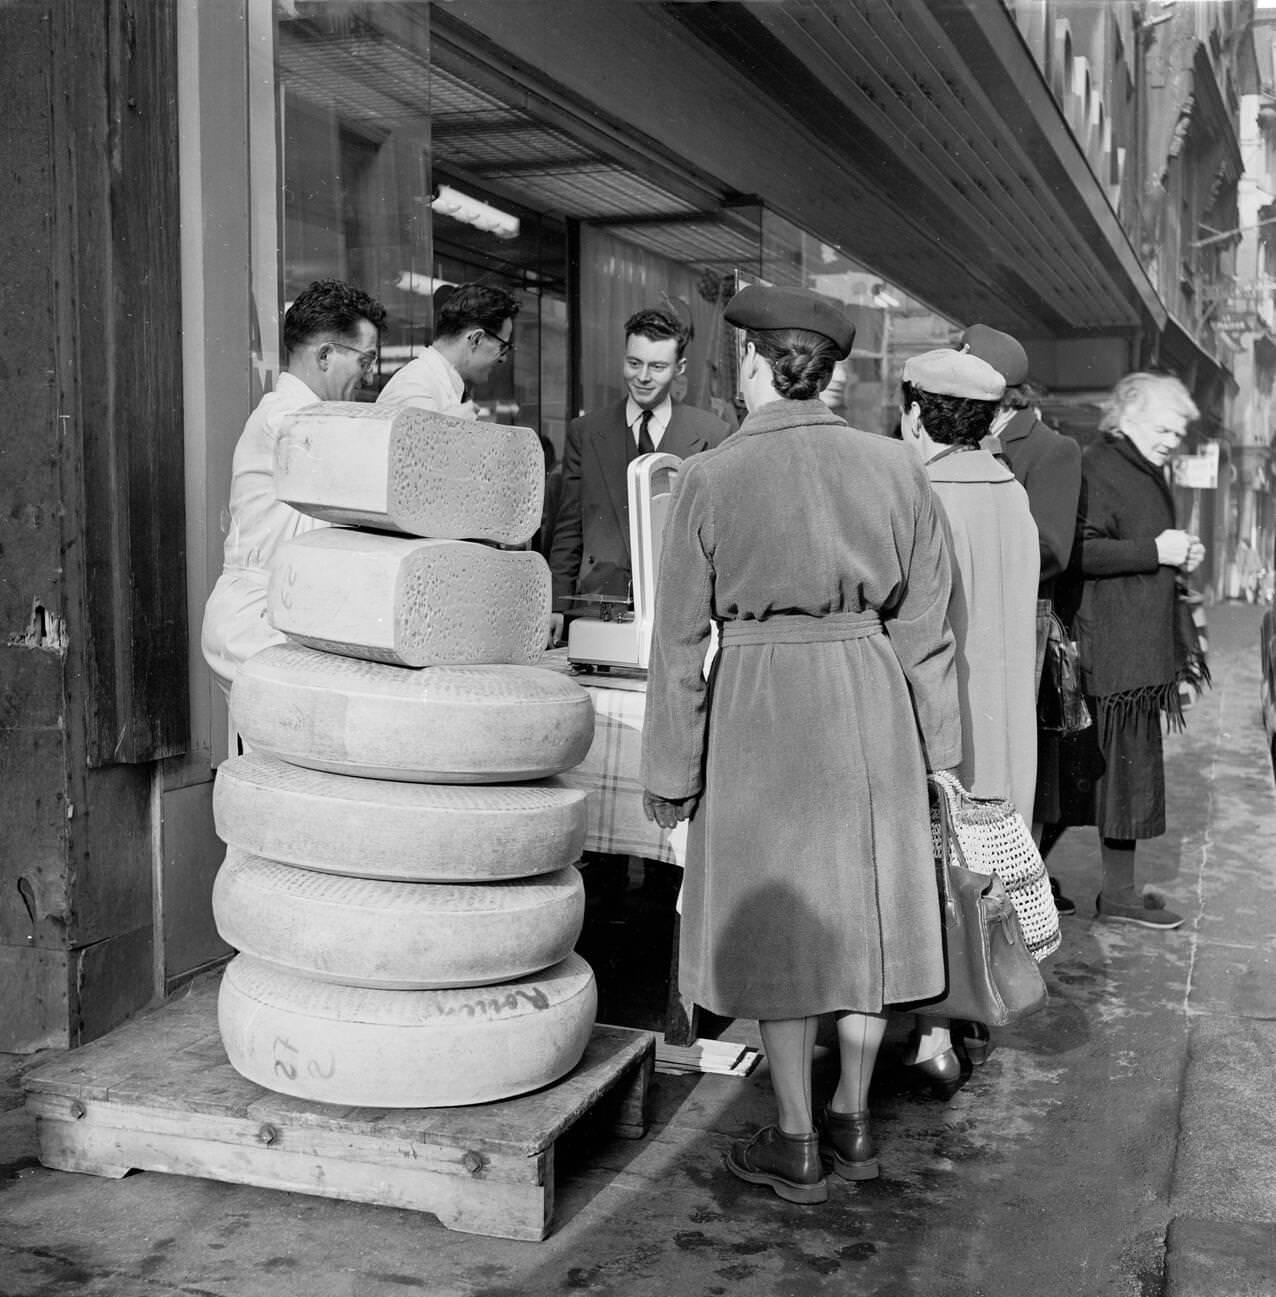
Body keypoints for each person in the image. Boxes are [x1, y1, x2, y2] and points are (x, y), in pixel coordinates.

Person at [641, 285, 961, 1205]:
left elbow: (675, 649)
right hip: (872, 698)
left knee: (783, 922)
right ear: (830, 372)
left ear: (751, 365)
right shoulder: (899, 468)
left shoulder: (706, 478)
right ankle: (855, 1117)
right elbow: (927, 629)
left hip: (760, 705)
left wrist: (672, 774)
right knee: (865, 909)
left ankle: (796, 1136)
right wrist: (939, 753)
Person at [898, 348, 1039, 1088]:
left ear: (917, 411)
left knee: (941, 871)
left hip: (949, 722)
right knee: (987, 871)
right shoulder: (1010, 492)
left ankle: (936, 1035)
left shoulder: (923, 493)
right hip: (1009, 722)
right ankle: (977, 1012)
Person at [201, 279, 387, 693]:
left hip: (273, 616)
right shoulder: (291, 421)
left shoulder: (304, 417)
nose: (368, 375)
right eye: (365, 360)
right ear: (325, 355)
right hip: (258, 622)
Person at [1072, 372, 1206, 930]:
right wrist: (1155, 549)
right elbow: (1080, 549)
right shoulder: (1099, 466)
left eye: (1179, 431)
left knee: (1119, 773)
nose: (1174, 439)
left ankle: (1117, 892)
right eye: (1166, 427)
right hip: (1113, 651)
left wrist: (1177, 555)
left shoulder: (1140, 467)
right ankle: (1103, 895)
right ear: (1127, 411)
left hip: (1132, 651)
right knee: (1103, 775)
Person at [960, 323, 1083, 916]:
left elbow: (1053, 548)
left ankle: (1007, 919)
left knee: (1006, 775)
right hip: (962, 618)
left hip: (1016, 624)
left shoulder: (1053, 450)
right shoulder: (951, 440)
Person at [547, 307, 728, 640]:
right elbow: (569, 524)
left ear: (679, 368)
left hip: (680, 613)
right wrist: (557, 603)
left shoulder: (713, 433)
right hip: (598, 608)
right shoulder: (586, 431)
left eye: (657, 366)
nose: (643, 377)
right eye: (634, 363)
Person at [376, 282, 518, 417]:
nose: (503, 358)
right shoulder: (415, 389)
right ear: (476, 339)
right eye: (503, 346)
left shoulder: (438, 383)